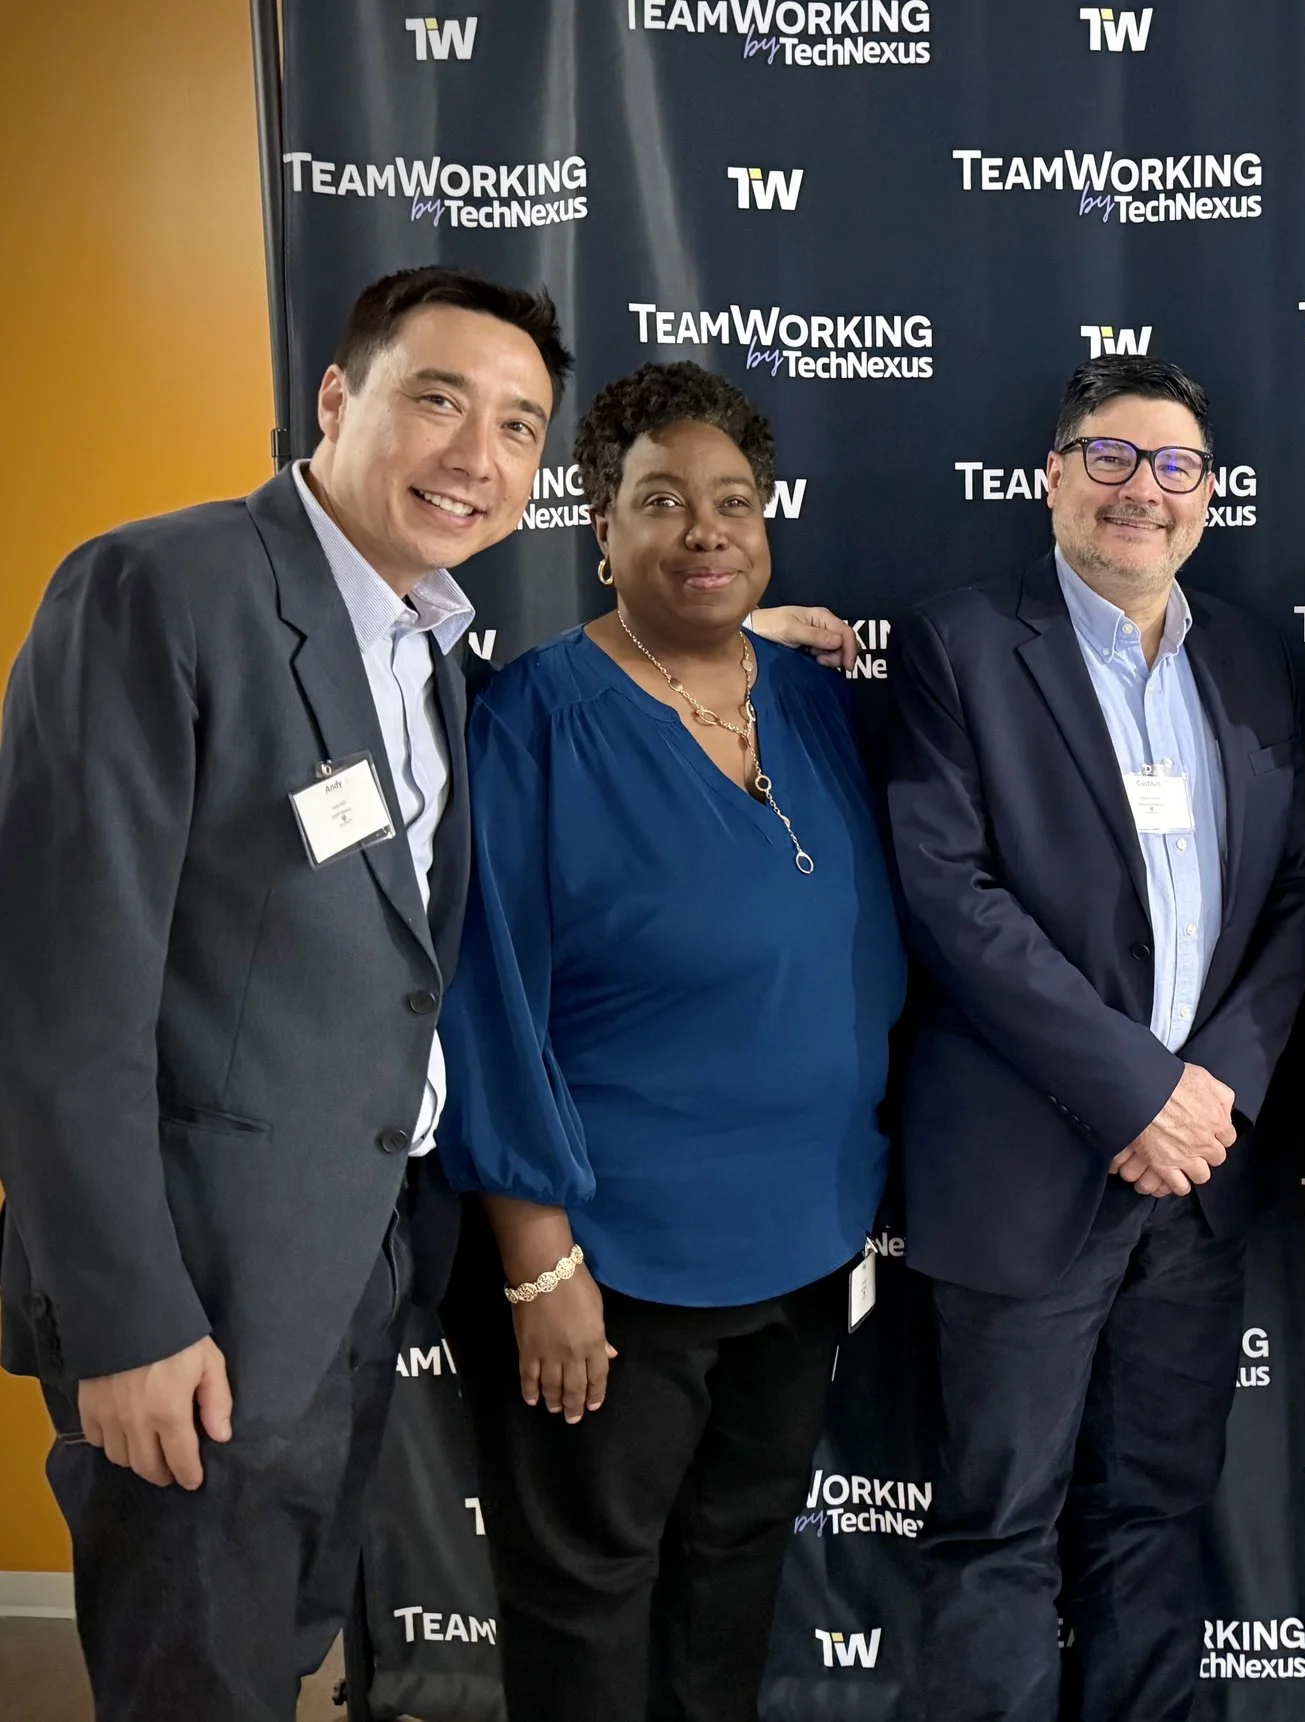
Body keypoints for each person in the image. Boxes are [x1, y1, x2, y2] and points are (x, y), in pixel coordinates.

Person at [0, 265, 566, 1718]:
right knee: (196, 1679)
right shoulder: (158, 588)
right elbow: (66, 1000)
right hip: (193, 1287)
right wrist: (123, 1317)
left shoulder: (428, 644)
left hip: (355, 1263)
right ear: (336, 397)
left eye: (517, 426)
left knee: (279, 1651)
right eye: (438, 399)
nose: (478, 456)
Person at [429, 362, 906, 1722]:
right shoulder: (531, 727)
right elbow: (487, 1001)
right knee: (586, 1593)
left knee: (733, 1568)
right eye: (661, 502)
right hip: (610, 1263)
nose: (704, 529)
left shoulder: (811, 695)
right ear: (600, 526)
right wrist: (536, 1262)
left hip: (798, 1247)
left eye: (731, 501)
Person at [887, 354, 1305, 1722]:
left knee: (1154, 1520)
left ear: (1209, 495)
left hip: (1196, 1187)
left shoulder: (1245, 658)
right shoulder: (961, 642)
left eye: (1176, 465)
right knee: (999, 1527)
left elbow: (1300, 891)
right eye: (1114, 458)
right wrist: (1138, 1091)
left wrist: (1221, 1089)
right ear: (1054, 478)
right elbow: (951, 895)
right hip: (1031, 1169)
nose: (1146, 489)